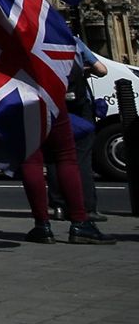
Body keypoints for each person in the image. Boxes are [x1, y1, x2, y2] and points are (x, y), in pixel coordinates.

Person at [51, 42, 110, 223]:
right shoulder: (74, 42)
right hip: (79, 105)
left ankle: (58, 206)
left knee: (55, 156)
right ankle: (86, 207)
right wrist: (87, 70)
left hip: (53, 103)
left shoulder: (36, 39)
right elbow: (102, 70)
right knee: (82, 157)